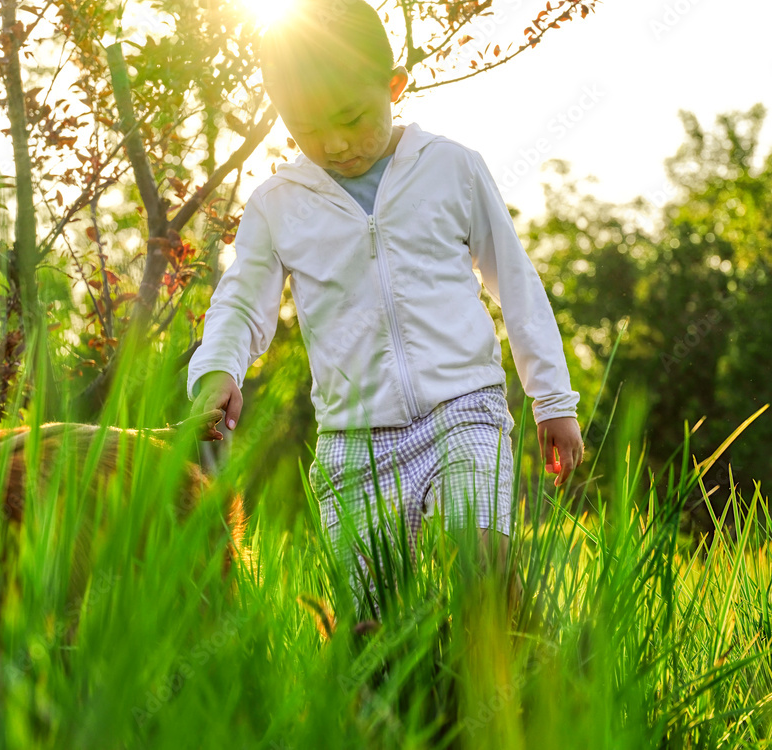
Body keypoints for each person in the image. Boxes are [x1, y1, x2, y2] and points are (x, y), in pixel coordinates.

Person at [186, 0, 584, 614]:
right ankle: (410, 704)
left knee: (480, 560)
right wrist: (219, 369)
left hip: (464, 411)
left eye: (351, 117)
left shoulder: (451, 167)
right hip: (354, 439)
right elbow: (240, 302)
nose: (337, 143)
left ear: (394, 86)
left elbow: (517, 284)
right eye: (308, 129)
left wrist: (552, 399)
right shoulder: (277, 204)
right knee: (373, 620)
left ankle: (516, 689)